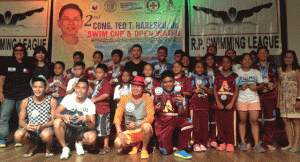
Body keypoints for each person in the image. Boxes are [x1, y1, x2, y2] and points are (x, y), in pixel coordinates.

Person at [54, 78, 97, 160]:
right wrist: (64, 116)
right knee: (57, 122)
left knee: (92, 138)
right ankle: (65, 148)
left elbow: (92, 126)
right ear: (75, 88)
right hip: (69, 128)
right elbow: (56, 114)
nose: (80, 90)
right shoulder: (68, 98)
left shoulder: (90, 104)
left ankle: (79, 143)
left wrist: (87, 120)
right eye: (78, 87)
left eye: (83, 88)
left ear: (87, 90)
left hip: (82, 129)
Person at [153, 70, 193, 159]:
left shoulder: (179, 93)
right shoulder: (157, 94)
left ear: (174, 82)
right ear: (161, 83)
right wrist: (157, 108)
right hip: (162, 123)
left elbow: (182, 114)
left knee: (188, 122)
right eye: (165, 82)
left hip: (175, 120)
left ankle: (181, 149)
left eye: (170, 81)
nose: (168, 84)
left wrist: (181, 104)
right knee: (166, 152)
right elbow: (154, 113)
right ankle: (170, 144)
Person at [0, 43, 34, 148]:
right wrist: (0, 92)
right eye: (16, 50)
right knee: (4, 118)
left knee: (22, 118)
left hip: (24, 96)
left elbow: (32, 80)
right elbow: (2, 78)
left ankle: (19, 138)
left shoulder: (29, 63)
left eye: (21, 50)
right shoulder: (7, 62)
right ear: (14, 52)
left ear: (24, 52)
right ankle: (2, 140)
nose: (19, 52)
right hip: (8, 95)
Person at [14, 76, 57, 158]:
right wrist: (26, 126)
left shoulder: (52, 100)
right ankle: (32, 146)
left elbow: (53, 120)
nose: (37, 89)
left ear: (46, 88)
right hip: (31, 129)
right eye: (35, 87)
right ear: (32, 88)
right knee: (18, 135)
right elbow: (21, 121)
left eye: (40, 87)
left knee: (46, 134)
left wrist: (43, 126)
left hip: (46, 128)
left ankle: (49, 148)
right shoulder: (25, 101)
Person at [114, 76, 154, 159]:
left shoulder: (147, 98)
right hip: (130, 131)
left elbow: (150, 117)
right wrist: (119, 132)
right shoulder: (125, 98)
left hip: (142, 130)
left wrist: (137, 123)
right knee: (118, 144)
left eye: (138, 86)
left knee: (146, 127)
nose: (135, 88)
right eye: (133, 86)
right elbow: (117, 116)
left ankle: (144, 149)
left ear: (143, 88)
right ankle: (135, 144)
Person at [236, 53, 265, 153]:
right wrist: (239, 87)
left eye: (249, 59)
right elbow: (232, 86)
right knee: (242, 121)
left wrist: (256, 87)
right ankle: (243, 142)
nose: (247, 61)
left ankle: (256, 144)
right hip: (241, 99)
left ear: (252, 61)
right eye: (245, 59)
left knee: (254, 121)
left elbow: (262, 84)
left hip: (254, 99)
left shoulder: (256, 72)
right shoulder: (237, 72)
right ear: (241, 61)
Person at [253, 47, 278, 150]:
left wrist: (274, 86)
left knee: (270, 120)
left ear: (268, 54)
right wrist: (259, 88)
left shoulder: (274, 67)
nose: (262, 54)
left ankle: (268, 141)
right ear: (257, 55)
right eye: (260, 53)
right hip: (257, 95)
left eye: (264, 52)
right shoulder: (253, 67)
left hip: (271, 95)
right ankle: (255, 141)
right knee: (255, 119)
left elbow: (279, 80)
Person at [213, 56, 239, 152]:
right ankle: (222, 142)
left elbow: (236, 90)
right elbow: (215, 90)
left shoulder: (235, 76)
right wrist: (218, 102)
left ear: (231, 64)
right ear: (221, 64)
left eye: (228, 62)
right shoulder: (217, 75)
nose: (226, 64)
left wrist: (232, 103)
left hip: (230, 103)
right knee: (220, 123)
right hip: (219, 103)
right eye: (224, 62)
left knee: (230, 124)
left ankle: (230, 142)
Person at [278, 50, 300, 153]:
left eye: (291, 57)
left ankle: (296, 144)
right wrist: (279, 100)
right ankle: (290, 143)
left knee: (295, 121)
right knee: (286, 121)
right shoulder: (280, 70)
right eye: (286, 57)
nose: (288, 59)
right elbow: (279, 85)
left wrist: (298, 100)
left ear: (294, 59)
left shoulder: (296, 71)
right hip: (284, 99)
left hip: (294, 98)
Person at [90, 63, 112, 154]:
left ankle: (106, 146)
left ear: (105, 74)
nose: (97, 74)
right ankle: (95, 146)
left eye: (100, 73)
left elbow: (106, 95)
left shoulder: (106, 83)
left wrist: (95, 100)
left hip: (103, 109)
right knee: (96, 128)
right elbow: (94, 94)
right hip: (96, 110)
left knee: (104, 128)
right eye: (96, 72)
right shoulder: (98, 83)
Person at [189, 61, 211, 152]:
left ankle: (203, 143)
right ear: (194, 69)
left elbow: (211, 92)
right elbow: (187, 91)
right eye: (197, 67)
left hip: (205, 105)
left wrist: (204, 88)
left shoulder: (208, 79)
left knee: (204, 125)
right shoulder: (190, 79)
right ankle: (195, 143)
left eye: (202, 67)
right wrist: (194, 91)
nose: (200, 69)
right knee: (195, 125)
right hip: (194, 105)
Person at [203, 53, 218, 148]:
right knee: (206, 119)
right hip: (205, 96)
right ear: (205, 61)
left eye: (212, 59)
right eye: (208, 59)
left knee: (214, 119)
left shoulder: (218, 72)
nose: (210, 61)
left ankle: (214, 138)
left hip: (215, 96)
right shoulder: (202, 71)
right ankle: (206, 138)